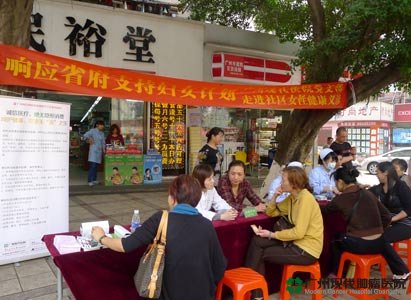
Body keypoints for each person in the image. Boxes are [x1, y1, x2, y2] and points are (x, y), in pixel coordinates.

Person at [91, 175, 227, 300]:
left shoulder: (162, 219)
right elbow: (219, 265)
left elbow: (124, 245)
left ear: (172, 198)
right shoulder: (206, 225)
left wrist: (101, 237)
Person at [245, 167, 323, 298]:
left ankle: (254, 292)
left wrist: (272, 234)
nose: (281, 182)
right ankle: (252, 287)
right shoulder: (293, 197)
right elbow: (271, 212)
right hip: (295, 243)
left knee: (261, 254)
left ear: (293, 183)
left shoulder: (306, 199)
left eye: (283, 180)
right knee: (258, 240)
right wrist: (275, 195)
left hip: (306, 250)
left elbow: (298, 233)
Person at [322, 166, 410, 279]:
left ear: (340, 182)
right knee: (382, 240)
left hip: (359, 246)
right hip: (378, 244)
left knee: (336, 240)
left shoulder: (340, 199)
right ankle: (401, 272)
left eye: (336, 183)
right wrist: (378, 230)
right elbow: (387, 216)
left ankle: (338, 274)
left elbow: (325, 211)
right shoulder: (368, 194)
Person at [369, 162, 411, 245]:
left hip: (406, 223)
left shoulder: (401, 186)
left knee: (381, 238)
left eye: (377, 172)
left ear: (386, 173)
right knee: (369, 234)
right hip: (390, 221)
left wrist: (391, 220)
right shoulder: (378, 188)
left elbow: (409, 209)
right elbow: (364, 194)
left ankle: (393, 258)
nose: (376, 175)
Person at [83, 120, 105, 187]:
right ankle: (90, 181)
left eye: (103, 125)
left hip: (99, 152)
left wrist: (104, 150)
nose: (102, 126)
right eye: (101, 125)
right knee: (92, 166)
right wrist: (89, 139)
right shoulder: (92, 131)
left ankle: (94, 180)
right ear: (97, 125)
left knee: (96, 167)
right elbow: (85, 135)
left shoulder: (102, 133)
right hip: (93, 152)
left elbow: (103, 142)